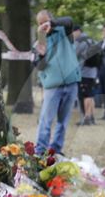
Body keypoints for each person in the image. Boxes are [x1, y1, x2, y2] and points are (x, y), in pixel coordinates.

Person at [33, 10, 81, 156]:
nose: (43, 25)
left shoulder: (64, 32)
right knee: (46, 121)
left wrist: (52, 24)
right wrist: (41, 56)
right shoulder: (39, 43)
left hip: (71, 83)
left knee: (63, 121)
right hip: (52, 86)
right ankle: (40, 151)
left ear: (52, 20)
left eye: (45, 21)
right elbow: (39, 67)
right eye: (40, 23)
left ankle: (56, 150)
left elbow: (69, 20)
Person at [73, 25, 99, 126]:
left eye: (73, 33)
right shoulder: (92, 40)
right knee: (90, 95)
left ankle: (86, 118)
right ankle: (91, 117)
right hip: (93, 72)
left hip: (84, 72)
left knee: (85, 95)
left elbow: (74, 54)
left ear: (78, 31)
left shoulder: (80, 41)